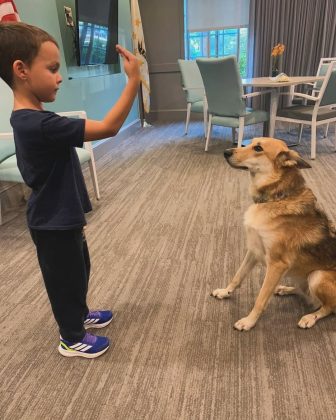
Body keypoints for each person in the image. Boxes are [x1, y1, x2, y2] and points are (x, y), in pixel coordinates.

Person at [0, 22, 140, 358]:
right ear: (21, 70)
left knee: (79, 270)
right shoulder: (37, 124)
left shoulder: (35, 117)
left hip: (62, 215)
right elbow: (109, 126)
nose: (59, 77)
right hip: (52, 221)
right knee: (64, 281)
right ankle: (71, 336)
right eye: (51, 69)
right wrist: (133, 80)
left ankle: (79, 313)